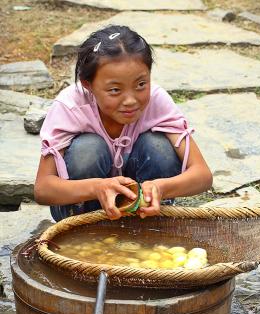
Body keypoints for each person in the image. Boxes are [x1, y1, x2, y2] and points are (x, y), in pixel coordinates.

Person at [35, 25, 212, 222]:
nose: (130, 100)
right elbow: (43, 189)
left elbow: (203, 175)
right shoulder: (70, 106)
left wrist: (161, 188)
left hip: (141, 209)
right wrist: (97, 188)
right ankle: (89, 231)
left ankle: (149, 219)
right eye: (114, 90)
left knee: (159, 146)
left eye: (141, 84)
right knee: (88, 148)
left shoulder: (156, 100)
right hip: (82, 211)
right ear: (88, 85)